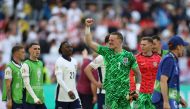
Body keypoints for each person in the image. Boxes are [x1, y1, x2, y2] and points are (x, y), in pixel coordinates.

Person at [84, 18, 141, 108]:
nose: (109, 42)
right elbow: (89, 42)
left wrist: (137, 90)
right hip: (110, 94)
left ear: (120, 41)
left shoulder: (129, 55)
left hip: (125, 94)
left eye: (112, 40)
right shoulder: (106, 52)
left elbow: (137, 73)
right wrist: (87, 27)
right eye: (109, 40)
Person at [152, 35, 188, 109]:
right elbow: (163, 81)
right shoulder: (169, 60)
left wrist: (179, 99)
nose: (183, 49)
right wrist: (166, 102)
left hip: (169, 99)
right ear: (178, 47)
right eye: (182, 46)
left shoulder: (172, 59)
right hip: (163, 100)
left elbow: (171, 84)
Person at [130, 37, 161, 109]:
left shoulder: (158, 59)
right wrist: (132, 92)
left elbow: (161, 76)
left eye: (144, 45)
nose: (142, 46)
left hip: (153, 93)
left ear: (151, 45)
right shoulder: (135, 58)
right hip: (138, 92)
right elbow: (130, 75)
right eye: (141, 44)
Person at [84, 35, 110, 109]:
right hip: (104, 93)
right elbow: (87, 70)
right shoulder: (101, 57)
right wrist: (96, 83)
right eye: (110, 42)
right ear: (106, 43)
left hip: (115, 93)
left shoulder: (119, 57)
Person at [54, 41, 82, 109]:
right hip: (62, 97)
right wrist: (68, 91)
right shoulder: (59, 61)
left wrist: (76, 93)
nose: (70, 48)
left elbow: (72, 80)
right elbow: (59, 79)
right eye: (67, 47)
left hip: (74, 96)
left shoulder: (74, 61)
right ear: (61, 49)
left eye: (71, 47)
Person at [21, 43, 47, 109]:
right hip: (30, 101)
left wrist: (42, 96)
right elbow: (26, 84)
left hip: (40, 100)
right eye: (35, 49)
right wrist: (35, 98)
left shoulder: (41, 63)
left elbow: (40, 81)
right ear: (29, 50)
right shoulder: (26, 64)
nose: (37, 51)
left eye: (39, 49)